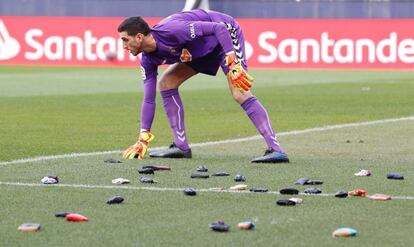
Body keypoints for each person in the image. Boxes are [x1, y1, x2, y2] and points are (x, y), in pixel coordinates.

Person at [119, 9, 289, 163]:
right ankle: (181, 146)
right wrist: (143, 137)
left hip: (225, 37)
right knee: (166, 83)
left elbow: (219, 29)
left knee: (239, 92)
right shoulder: (147, 60)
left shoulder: (173, 30)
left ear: (140, 37)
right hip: (199, 51)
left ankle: (276, 150)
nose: (124, 46)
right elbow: (149, 99)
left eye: (125, 40)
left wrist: (232, 59)